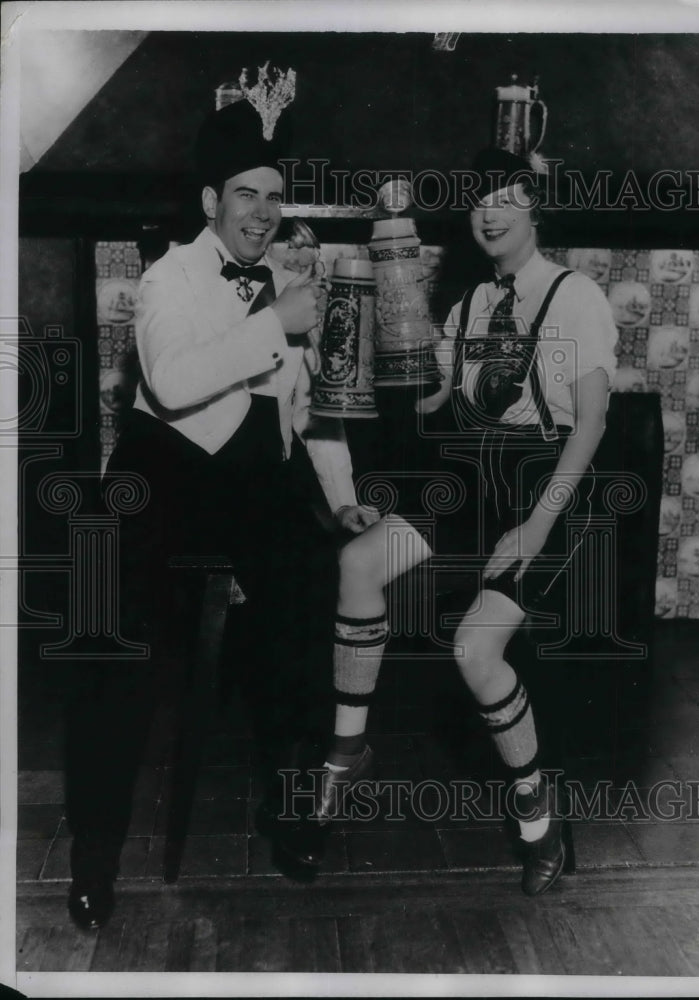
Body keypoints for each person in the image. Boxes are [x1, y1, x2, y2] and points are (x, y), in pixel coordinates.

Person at [63, 99, 377, 930]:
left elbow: (314, 412)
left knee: (309, 592)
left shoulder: (291, 287)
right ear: (212, 203)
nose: (263, 213)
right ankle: (94, 857)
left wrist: (340, 503)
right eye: (245, 194)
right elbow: (169, 381)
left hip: (254, 486)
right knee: (113, 640)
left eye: (274, 197)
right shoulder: (171, 275)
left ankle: (289, 808)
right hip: (161, 475)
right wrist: (272, 324)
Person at [281, 146, 618, 896]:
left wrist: (534, 528)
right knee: (358, 561)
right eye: (479, 201)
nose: (489, 212)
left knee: (474, 649)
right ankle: (347, 754)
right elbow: (438, 409)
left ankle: (534, 812)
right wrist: (383, 345)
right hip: (468, 488)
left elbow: (591, 428)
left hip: (547, 494)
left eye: (506, 198)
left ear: (536, 210)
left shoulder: (575, 297)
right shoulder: (468, 305)